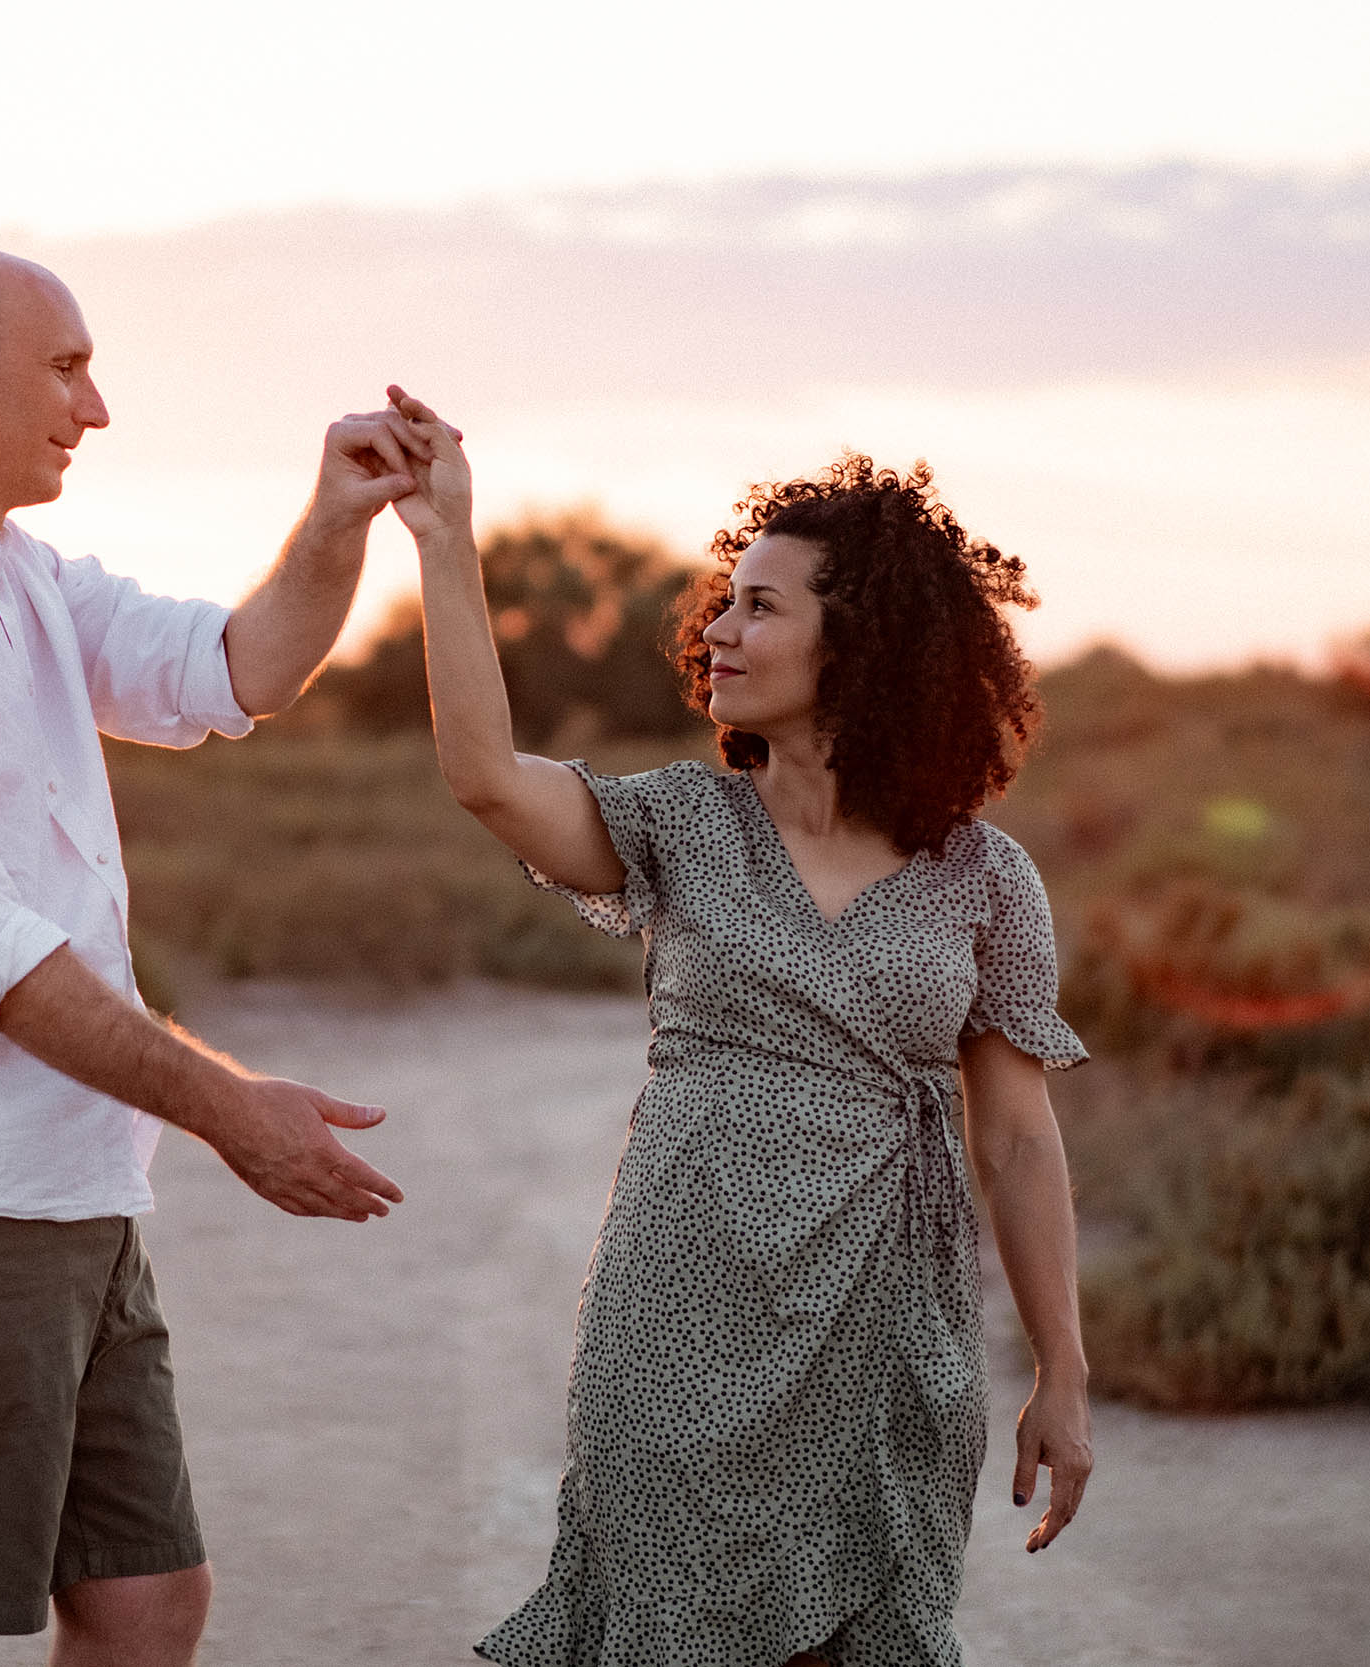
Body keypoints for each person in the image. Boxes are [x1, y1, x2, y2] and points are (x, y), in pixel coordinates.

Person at [0, 246, 429, 1667]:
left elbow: (239, 665)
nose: (94, 407)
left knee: (146, 1601)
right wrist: (240, 1114)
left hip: (69, 1189)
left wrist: (341, 517)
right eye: (67, 366)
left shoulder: (14, 573)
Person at [381, 389, 1094, 1667]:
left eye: (762, 605)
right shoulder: (678, 825)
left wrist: (1064, 1369)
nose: (717, 627)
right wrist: (444, 538)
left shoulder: (984, 879)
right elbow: (485, 774)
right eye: (726, 597)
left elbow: (1021, 1143)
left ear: (862, 648)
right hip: (678, 1291)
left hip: (885, 1314)